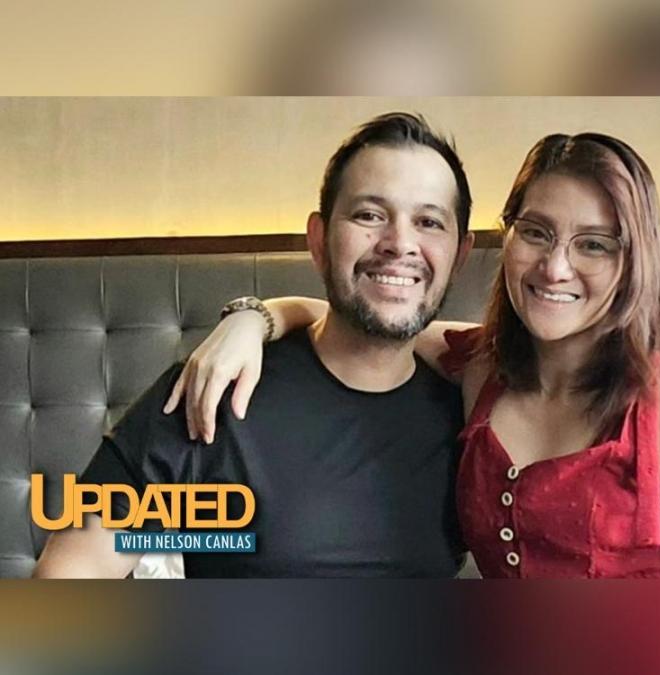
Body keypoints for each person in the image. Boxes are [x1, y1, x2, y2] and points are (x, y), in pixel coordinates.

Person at [168, 132, 660, 578]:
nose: (555, 267)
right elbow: (364, 314)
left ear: (633, 262)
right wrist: (254, 316)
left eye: (594, 244)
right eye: (536, 232)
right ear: (505, 237)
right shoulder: (481, 370)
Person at [32, 112, 475, 578]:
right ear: (319, 240)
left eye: (429, 221)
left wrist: (260, 313)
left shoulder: (474, 414)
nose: (399, 243)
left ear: (460, 255)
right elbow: (69, 576)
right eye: (369, 215)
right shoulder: (215, 389)